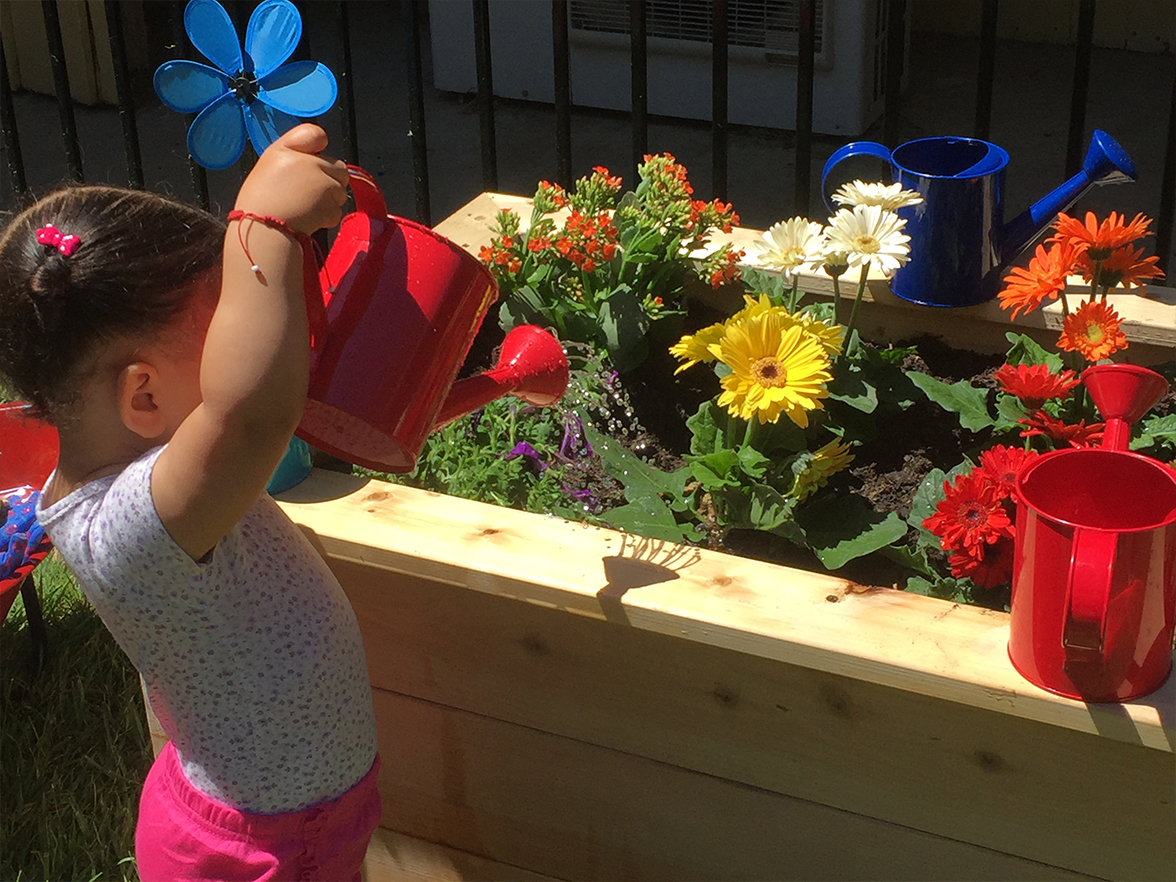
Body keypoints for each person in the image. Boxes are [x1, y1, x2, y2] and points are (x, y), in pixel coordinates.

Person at [0, 124, 381, 881]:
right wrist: (260, 227)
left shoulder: (167, 474)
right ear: (143, 394)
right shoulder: (131, 529)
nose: (266, 347)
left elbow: (263, 410)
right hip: (267, 843)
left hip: (272, 806)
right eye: (231, 334)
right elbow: (249, 414)